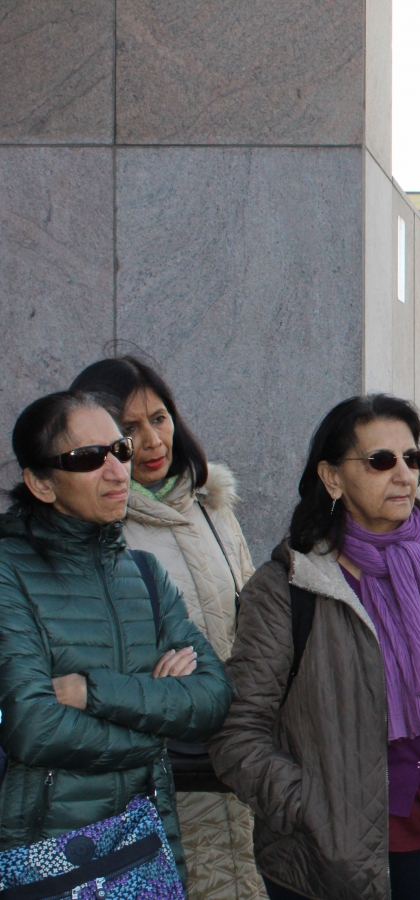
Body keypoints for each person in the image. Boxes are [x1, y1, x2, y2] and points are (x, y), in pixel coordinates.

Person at [207, 394, 420, 900]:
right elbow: (238, 733)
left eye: (412, 458)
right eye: (380, 461)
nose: (403, 475)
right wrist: (312, 809)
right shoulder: (288, 587)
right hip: (329, 860)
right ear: (332, 478)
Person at [0, 391, 232, 880]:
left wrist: (93, 691)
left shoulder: (145, 573)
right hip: (47, 855)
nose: (116, 471)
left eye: (119, 450)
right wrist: (158, 725)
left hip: (146, 842)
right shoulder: (8, 571)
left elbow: (211, 698)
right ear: (41, 484)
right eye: (87, 458)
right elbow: (32, 728)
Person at [70, 357, 265, 900]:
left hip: (238, 754)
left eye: (159, 417)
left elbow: (249, 615)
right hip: (159, 769)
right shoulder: (93, 526)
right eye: (129, 429)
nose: (153, 440)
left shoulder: (213, 504)